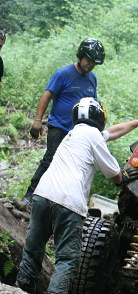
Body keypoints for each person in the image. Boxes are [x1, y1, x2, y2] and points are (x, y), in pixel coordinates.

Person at [15, 97, 138, 294]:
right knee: (67, 258)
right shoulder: (93, 136)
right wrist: (123, 178)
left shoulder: (75, 134)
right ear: (98, 117)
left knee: (34, 247)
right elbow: (114, 173)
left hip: (42, 195)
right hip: (69, 203)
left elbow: (111, 132)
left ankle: (21, 293)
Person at [23, 38, 106, 204]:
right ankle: (29, 196)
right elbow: (47, 96)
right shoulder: (63, 74)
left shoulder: (92, 79)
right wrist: (38, 120)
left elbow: (92, 103)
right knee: (50, 160)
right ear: (81, 56)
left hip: (77, 132)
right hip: (59, 126)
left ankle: (52, 201)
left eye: (94, 63)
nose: (90, 65)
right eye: (88, 60)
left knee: (70, 167)